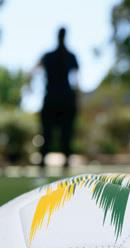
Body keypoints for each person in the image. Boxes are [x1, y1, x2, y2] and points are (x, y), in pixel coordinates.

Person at [36, 27, 79, 176]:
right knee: (63, 136)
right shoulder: (69, 56)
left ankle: (43, 169)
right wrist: (77, 99)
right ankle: (63, 169)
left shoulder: (50, 56)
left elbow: (34, 70)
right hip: (64, 100)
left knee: (48, 135)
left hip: (53, 100)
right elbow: (76, 81)